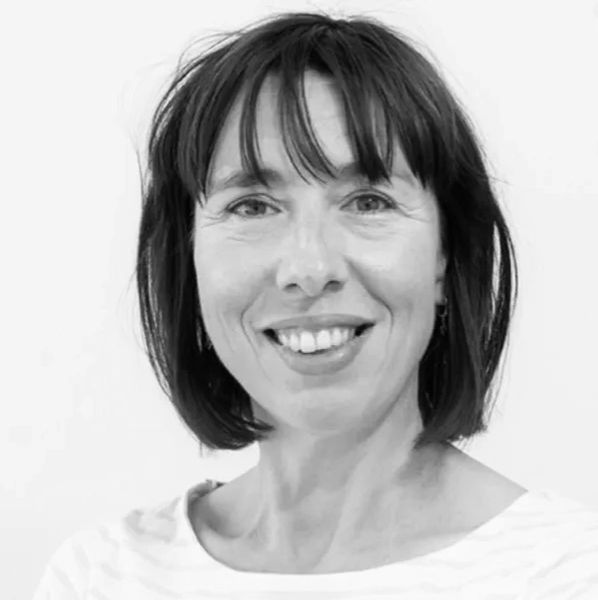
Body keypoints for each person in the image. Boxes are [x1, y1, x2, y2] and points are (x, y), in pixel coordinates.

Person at [33, 11, 598, 599]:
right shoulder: (101, 575)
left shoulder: (568, 574)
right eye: (252, 206)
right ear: (188, 256)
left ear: (445, 253)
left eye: (368, 201)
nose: (309, 269)